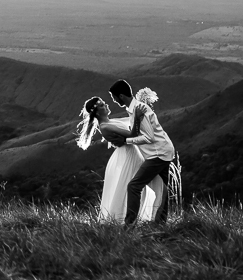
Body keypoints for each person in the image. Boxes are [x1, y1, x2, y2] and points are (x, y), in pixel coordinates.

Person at [75, 95, 163, 222]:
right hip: (129, 156)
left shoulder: (109, 122)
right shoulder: (105, 126)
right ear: (97, 112)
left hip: (130, 153)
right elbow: (132, 134)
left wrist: (140, 108)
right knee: (148, 184)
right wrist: (137, 117)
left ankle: (148, 217)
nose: (106, 105)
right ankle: (151, 218)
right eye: (102, 105)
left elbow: (130, 122)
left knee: (141, 185)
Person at [109, 79, 179, 226]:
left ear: (121, 96)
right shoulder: (134, 109)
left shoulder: (139, 109)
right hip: (162, 150)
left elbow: (148, 137)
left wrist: (126, 141)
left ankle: (129, 224)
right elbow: (137, 131)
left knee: (134, 186)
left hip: (158, 153)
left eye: (113, 97)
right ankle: (161, 223)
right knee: (165, 188)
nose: (113, 100)